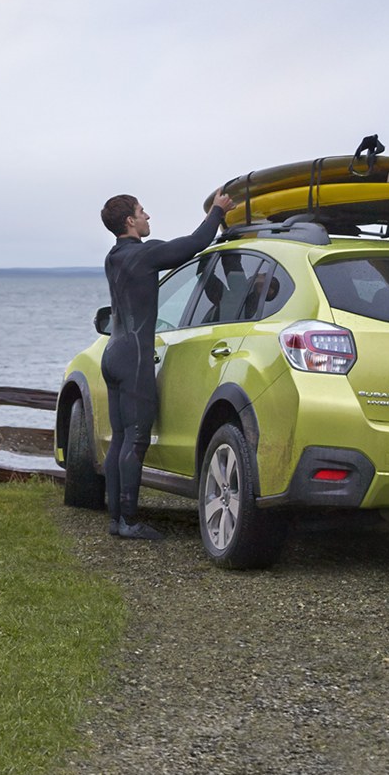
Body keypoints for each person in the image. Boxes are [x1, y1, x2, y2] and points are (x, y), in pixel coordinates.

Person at [99, 188, 235, 540]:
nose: (148, 217)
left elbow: (170, 247)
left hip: (113, 353)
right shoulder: (143, 257)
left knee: (120, 440)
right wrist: (218, 212)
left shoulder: (116, 257)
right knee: (137, 439)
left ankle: (117, 519)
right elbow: (192, 244)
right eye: (143, 212)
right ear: (130, 220)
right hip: (135, 359)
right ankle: (129, 522)